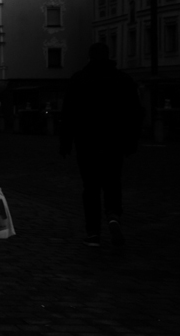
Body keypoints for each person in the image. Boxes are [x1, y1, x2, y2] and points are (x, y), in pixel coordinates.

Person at [59, 42, 144, 248]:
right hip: (114, 141)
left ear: (90, 57)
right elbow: (135, 113)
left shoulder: (79, 80)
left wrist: (65, 142)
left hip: (86, 142)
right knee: (112, 181)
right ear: (108, 57)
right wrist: (131, 141)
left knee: (91, 188)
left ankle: (93, 232)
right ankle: (113, 215)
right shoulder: (122, 80)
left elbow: (68, 114)